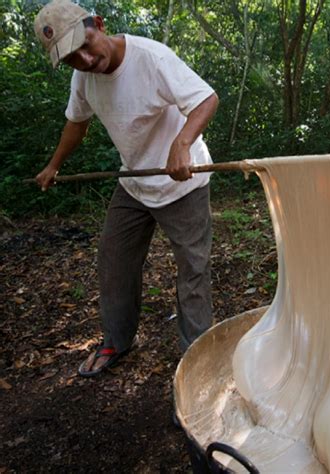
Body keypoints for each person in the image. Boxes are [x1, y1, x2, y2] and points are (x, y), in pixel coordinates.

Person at [33, 0, 219, 377]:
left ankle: (198, 363)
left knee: (193, 273)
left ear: (99, 24)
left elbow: (205, 99)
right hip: (133, 182)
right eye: (71, 58)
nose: (84, 60)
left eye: (85, 46)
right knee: (114, 262)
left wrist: (181, 143)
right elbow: (76, 124)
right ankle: (116, 340)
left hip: (183, 184)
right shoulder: (82, 76)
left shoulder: (151, 58)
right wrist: (53, 166)